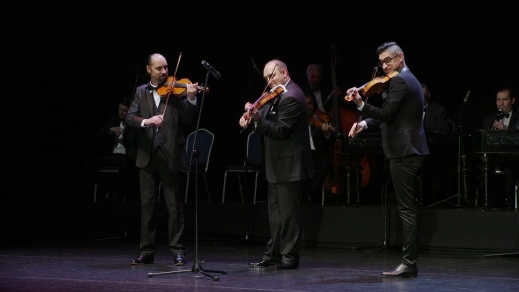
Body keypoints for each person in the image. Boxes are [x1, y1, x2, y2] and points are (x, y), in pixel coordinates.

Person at [347, 42, 429, 278]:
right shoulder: (403, 79)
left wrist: (361, 105)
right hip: (406, 151)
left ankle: (409, 263)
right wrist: (364, 122)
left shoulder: (402, 81)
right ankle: (408, 262)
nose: (384, 66)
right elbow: (390, 112)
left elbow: (386, 114)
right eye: (381, 62)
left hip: (405, 152)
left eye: (388, 60)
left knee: (406, 210)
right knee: (406, 209)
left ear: (400, 57)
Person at [240, 59, 314, 270]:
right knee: (275, 216)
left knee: (289, 215)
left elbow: (280, 129)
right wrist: (249, 115)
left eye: (271, 76)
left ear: (284, 72)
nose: (269, 82)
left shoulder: (292, 96)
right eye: (266, 79)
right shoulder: (277, 93)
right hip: (276, 165)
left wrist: (256, 119)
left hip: (289, 165)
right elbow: (262, 115)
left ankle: (289, 257)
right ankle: (272, 255)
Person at [126, 53, 199, 266]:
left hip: (171, 154)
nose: (164, 72)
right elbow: (130, 117)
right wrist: (147, 121)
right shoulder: (141, 91)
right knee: (147, 206)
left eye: (166, 67)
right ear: (148, 69)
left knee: (173, 207)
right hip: (147, 155)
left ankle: (178, 251)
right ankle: (147, 251)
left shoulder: (177, 90)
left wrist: (192, 98)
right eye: (159, 68)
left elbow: (187, 118)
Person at [86, 97, 138, 202]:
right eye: (120, 109)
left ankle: (118, 196)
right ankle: (108, 188)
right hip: (112, 155)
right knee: (88, 164)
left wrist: (128, 129)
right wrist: (110, 130)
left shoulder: (133, 122)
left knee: (124, 165)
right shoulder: (113, 120)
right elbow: (99, 136)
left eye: (124, 110)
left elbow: (134, 142)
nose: (121, 112)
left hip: (126, 157)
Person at [481, 88, 518, 208]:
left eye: (504, 99)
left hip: (513, 157)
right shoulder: (488, 118)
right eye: (498, 100)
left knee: (509, 168)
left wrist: (506, 132)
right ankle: (488, 199)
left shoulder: (517, 116)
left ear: (512, 100)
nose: (501, 103)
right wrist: (491, 132)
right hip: (494, 157)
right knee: (481, 168)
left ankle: (508, 200)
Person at [305, 91, 334, 204]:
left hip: (316, 154)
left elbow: (330, 142)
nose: (308, 107)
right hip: (301, 153)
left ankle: (311, 191)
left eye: (310, 103)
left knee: (324, 163)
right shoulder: (297, 119)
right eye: (305, 104)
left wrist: (327, 133)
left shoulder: (322, 118)